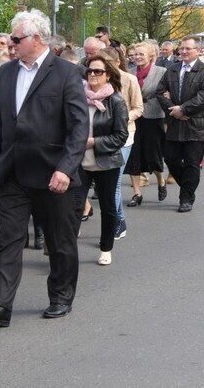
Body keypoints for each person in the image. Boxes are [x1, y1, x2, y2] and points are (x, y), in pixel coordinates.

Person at [0, 9, 88, 327]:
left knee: (60, 241)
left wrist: (66, 168)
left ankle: (61, 297)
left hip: (53, 174)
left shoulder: (65, 73)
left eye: (16, 38)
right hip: (14, 173)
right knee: (7, 240)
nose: (11, 44)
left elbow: (79, 127)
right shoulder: (6, 72)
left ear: (37, 39)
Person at [156, 36, 204, 212]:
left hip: (196, 124)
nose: (184, 51)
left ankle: (186, 198)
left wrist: (183, 109)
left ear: (198, 50)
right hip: (175, 122)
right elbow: (160, 91)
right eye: (181, 48)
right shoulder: (172, 70)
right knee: (170, 158)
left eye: (188, 48)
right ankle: (188, 187)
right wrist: (173, 110)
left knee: (192, 163)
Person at [79, 55, 128, 265]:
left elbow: (121, 136)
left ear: (107, 75)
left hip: (106, 162)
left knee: (108, 208)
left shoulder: (116, 101)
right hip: (79, 163)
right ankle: (65, 250)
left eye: (98, 71)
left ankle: (106, 248)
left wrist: (94, 142)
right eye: (90, 70)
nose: (93, 74)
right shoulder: (78, 98)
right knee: (73, 207)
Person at [101, 47, 142, 239]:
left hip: (125, 134)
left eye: (107, 63)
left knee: (115, 181)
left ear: (117, 62)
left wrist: (122, 119)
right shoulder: (98, 79)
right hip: (103, 135)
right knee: (108, 182)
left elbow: (138, 108)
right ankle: (118, 220)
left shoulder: (129, 79)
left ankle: (118, 222)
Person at [124, 42, 168, 205]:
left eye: (141, 54)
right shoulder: (129, 73)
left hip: (153, 117)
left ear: (150, 56)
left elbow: (166, 93)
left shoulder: (161, 72)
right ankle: (137, 193)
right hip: (134, 117)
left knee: (153, 154)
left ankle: (161, 180)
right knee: (133, 155)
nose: (137, 57)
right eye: (135, 54)